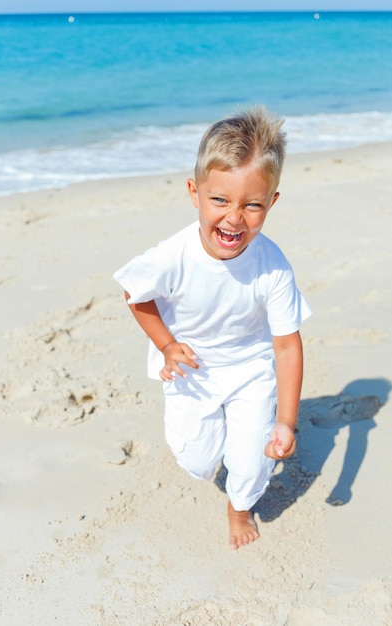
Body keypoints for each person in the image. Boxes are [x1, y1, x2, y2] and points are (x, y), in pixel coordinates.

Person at [114, 106, 311, 550]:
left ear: (271, 202)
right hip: (192, 368)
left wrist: (287, 421)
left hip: (251, 369)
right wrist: (166, 346)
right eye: (219, 200)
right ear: (195, 192)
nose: (234, 218)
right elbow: (134, 293)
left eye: (252, 204)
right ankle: (211, 451)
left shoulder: (272, 265)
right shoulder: (173, 255)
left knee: (250, 459)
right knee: (198, 460)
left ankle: (239, 507)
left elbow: (286, 345)